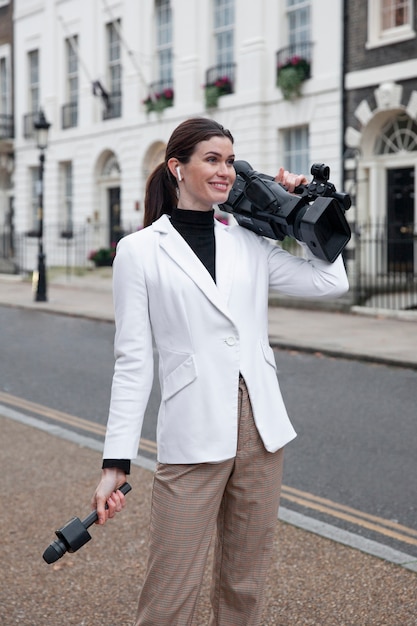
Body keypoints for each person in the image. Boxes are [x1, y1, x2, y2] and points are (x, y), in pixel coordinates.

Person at [92, 117, 349, 625]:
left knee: (243, 586)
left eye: (230, 160)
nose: (226, 171)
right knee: (171, 590)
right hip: (193, 433)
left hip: (262, 431)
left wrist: (309, 208)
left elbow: (329, 282)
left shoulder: (248, 240)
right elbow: (133, 361)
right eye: (212, 159)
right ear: (177, 167)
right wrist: (115, 462)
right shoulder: (140, 251)